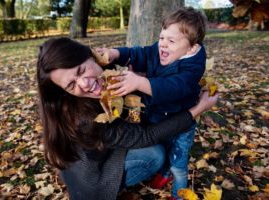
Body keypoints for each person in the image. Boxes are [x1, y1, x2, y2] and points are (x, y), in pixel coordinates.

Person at [36, 37, 217, 200]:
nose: (85, 84)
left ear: (90, 56)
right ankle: (114, 185)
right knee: (155, 154)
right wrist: (197, 109)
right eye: (71, 85)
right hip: (92, 179)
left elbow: (145, 55)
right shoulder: (83, 117)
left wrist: (140, 79)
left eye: (81, 70)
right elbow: (145, 136)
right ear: (64, 92)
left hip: (103, 150)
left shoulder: (110, 66)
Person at [98, 7, 207, 199]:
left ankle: (179, 193)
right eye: (162, 37)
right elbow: (140, 54)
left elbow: (173, 87)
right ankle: (164, 174)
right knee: (163, 148)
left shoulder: (193, 66)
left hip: (181, 123)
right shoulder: (161, 49)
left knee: (178, 162)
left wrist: (140, 82)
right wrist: (116, 53)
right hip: (159, 117)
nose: (162, 44)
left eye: (171, 40)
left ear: (191, 47)